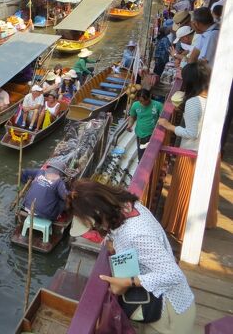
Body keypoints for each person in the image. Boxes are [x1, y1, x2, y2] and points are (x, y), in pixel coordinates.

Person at [68, 180, 196, 334]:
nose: (96, 228)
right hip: (155, 304)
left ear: (99, 213)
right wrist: (111, 241)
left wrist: (129, 282)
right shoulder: (128, 207)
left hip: (169, 311)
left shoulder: (135, 234)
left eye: (93, 225)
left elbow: (174, 274)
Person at [157, 62, 218, 232]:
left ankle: (180, 224)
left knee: (184, 192)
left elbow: (191, 133)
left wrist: (168, 125)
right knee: (201, 192)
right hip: (212, 152)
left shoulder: (193, 102)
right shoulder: (216, 99)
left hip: (192, 153)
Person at [127, 89, 163, 160]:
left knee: (152, 153)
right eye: (141, 101)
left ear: (149, 97)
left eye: (145, 100)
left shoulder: (158, 105)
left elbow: (163, 119)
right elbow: (132, 117)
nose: (143, 103)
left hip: (153, 134)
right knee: (141, 154)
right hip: (140, 134)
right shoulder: (135, 105)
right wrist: (130, 125)